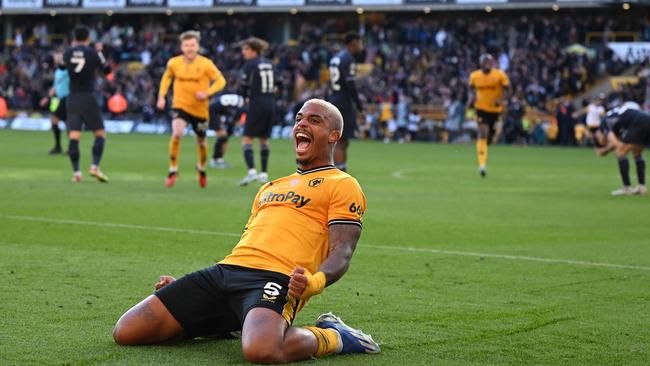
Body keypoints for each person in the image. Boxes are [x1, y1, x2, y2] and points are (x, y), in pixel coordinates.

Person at [112, 99, 380, 363]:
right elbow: (250, 244)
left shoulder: (343, 184)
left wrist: (314, 282)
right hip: (227, 272)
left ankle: (335, 336)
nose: (302, 123)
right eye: (299, 118)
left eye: (314, 120)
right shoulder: (270, 187)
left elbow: (342, 251)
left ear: (334, 135)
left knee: (262, 351)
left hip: (276, 278)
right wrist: (189, 295)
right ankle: (221, 321)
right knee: (127, 331)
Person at [158, 30, 227, 188]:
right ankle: (172, 169)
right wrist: (161, 96)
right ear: (182, 47)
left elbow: (221, 81)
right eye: (186, 45)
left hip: (200, 109)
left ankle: (201, 168)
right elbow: (166, 78)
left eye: (192, 45)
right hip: (180, 105)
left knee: (201, 142)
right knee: (177, 133)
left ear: (197, 46)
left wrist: (207, 93)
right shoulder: (174, 63)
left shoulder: (206, 64)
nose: (189, 48)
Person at [61, 25, 112, 183]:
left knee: (74, 136)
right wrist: (99, 52)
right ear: (88, 38)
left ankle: (76, 173)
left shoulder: (67, 53)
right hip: (88, 96)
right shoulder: (93, 53)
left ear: (74, 38)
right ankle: (94, 166)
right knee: (100, 133)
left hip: (73, 97)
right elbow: (108, 71)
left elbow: (61, 66)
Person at [237, 37, 277, 186]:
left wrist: (244, 98)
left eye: (246, 49)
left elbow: (243, 87)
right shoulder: (271, 64)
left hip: (256, 102)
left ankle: (252, 172)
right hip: (270, 102)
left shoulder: (249, 65)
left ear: (254, 50)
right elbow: (279, 84)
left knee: (247, 139)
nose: (243, 52)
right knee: (264, 140)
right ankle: (264, 174)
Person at [468, 53, 510, 177]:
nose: (487, 64)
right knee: (482, 134)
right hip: (481, 108)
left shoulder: (499, 75)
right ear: (481, 63)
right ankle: (482, 165)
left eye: (489, 62)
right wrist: (470, 100)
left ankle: (485, 147)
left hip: (496, 110)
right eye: (484, 62)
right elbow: (470, 89)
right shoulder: (474, 76)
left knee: (491, 138)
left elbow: (508, 89)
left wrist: (502, 100)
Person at [328, 32, 363, 172]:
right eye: (360, 42)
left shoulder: (335, 58)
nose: (361, 46)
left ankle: (339, 171)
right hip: (344, 102)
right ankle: (339, 173)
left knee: (343, 140)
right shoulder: (348, 59)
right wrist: (360, 106)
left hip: (335, 99)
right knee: (341, 141)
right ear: (353, 42)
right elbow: (351, 85)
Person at [596, 102, 648, 196]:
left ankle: (627, 187)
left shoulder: (604, 123)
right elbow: (620, 142)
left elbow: (616, 144)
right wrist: (607, 149)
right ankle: (641, 187)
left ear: (599, 133)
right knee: (637, 152)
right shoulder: (617, 121)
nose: (603, 142)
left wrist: (605, 150)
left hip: (638, 120)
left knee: (620, 152)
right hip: (646, 118)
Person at [208, 93, 244, 169]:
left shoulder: (238, 101)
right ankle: (215, 160)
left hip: (215, 110)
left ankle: (219, 160)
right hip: (213, 112)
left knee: (224, 138)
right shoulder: (241, 106)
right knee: (222, 137)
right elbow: (235, 121)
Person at [44, 52, 69, 155]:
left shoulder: (68, 69)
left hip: (67, 98)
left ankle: (70, 147)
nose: (57, 58)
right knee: (54, 120)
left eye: (59, 56)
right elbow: (55, 86)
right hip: (57, 99)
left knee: (68, 122)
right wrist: (47, 98)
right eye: (56, 56)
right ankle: (58, 146)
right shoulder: (58, 71)